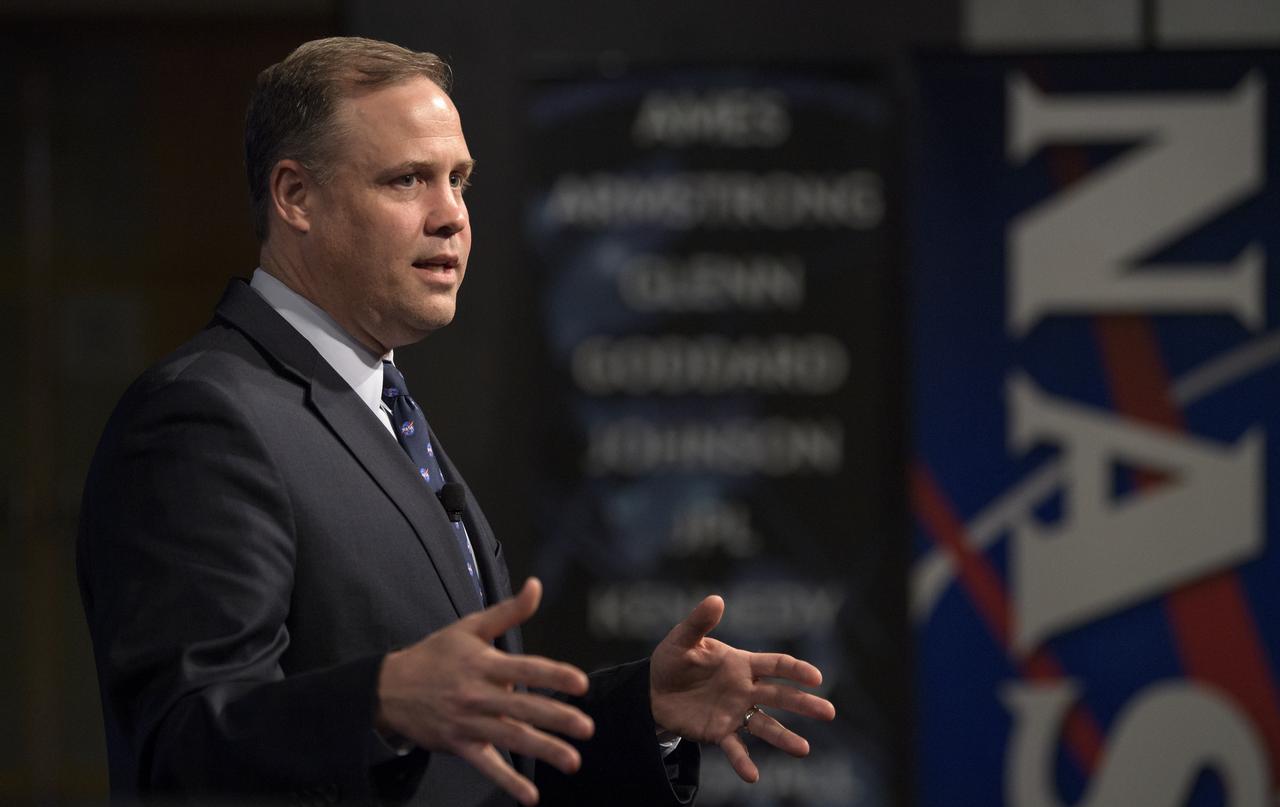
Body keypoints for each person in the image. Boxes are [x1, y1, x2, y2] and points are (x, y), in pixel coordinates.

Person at [77, 37, 835, 806]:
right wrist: (378, 699)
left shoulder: (383, 405)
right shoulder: (205, 418)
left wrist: (641, 710)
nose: (451, 218)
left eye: (459, 181)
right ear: (295, 197)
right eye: (407, 180)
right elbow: (181, 744)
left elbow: (467, 745)